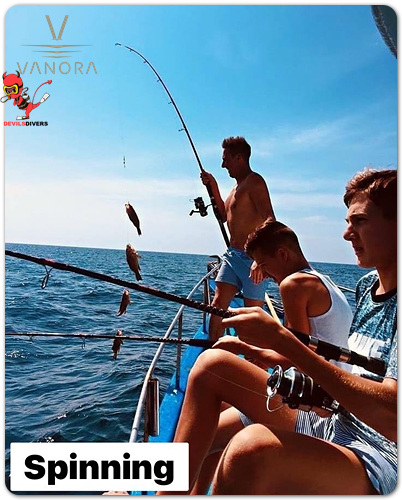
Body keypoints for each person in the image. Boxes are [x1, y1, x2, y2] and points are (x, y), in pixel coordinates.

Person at [157, 168, 397, 495]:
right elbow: (357, 369)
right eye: (347, 222)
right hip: (335, 416)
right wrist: (263, 351)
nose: (346, 234)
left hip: (380, 456)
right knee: (212, 366)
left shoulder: (297, 284)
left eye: (360, 221)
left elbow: (392, 416)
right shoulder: (367, 286)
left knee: (249, 448)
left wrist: (279, 340)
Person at [189, 219, 353, 494]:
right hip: (331, 397)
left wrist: (242, 347)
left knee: (205, 430)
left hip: (312, 407)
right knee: (219, 408)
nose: (263, 275)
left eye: (264, 265)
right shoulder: (323, 281)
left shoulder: (293, 285)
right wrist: (263, 354)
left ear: (282, 255)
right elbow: (304, 350)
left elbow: (297, 358)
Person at [201, 136, 275, 341]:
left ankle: (249, 358)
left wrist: (260, 259)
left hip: (252, 260)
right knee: (217, 306)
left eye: (226, 159)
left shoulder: (255, 182)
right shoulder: (235, 188)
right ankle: (212, 349)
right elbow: (223, 216)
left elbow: (270, 220)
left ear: (239, 158)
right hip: (232, 256)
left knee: (250, 318)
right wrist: (213, 185)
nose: (223, 165)